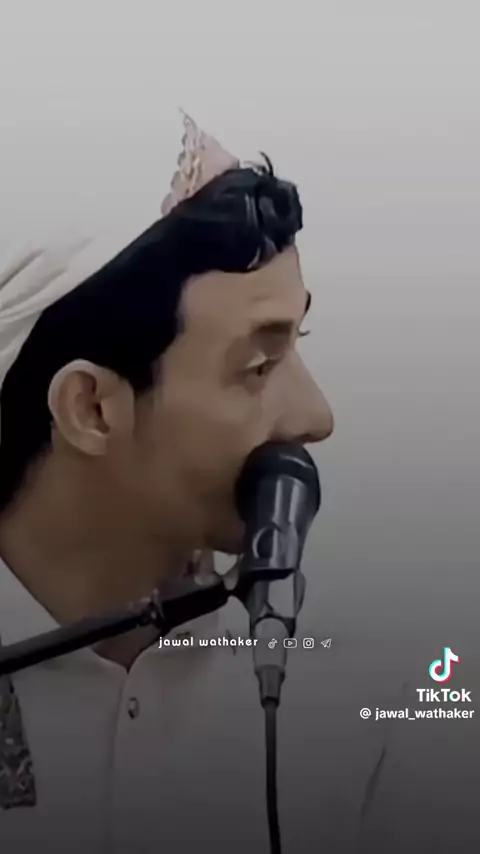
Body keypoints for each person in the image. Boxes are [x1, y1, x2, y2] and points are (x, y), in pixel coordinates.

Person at [0, 113, 334, 852]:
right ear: (91, 408)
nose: (317, 417)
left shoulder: (362, 699)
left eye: (297, 341)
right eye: (259, 367)